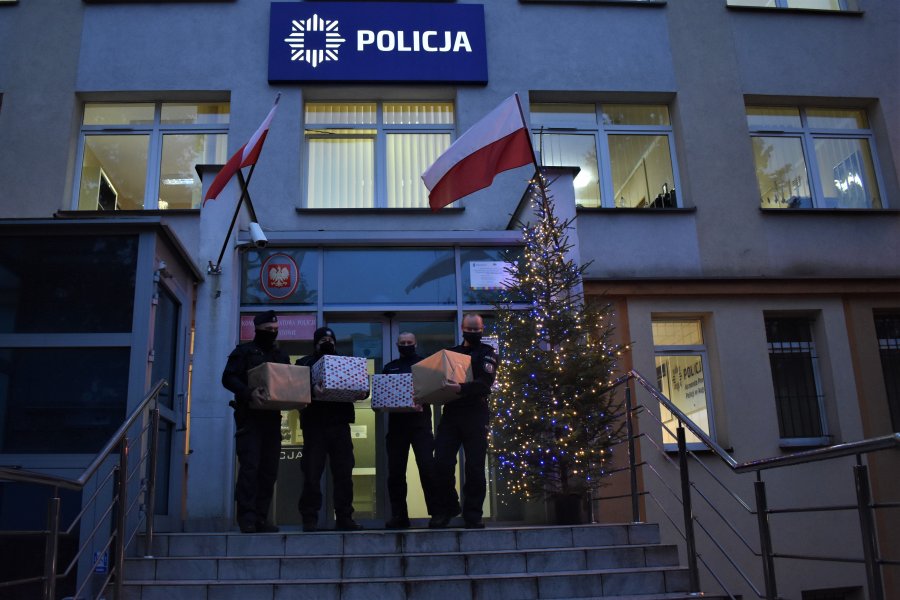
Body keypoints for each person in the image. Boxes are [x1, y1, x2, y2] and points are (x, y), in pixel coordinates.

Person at [221, 310, 289, 534]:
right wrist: (248, 393)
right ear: (257, 329)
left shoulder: (281, 356)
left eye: (275, 329)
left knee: (269, 471)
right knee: (250, 468)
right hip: (249, 419)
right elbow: (228, 378)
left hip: (272, 419)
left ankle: (261, 517)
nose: (272, 332)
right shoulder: (243, 352)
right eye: (268, 329)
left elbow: (287, 382)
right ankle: (247, 518)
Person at [429, 313, 499, 529]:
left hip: (476, 414)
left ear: (482, 329)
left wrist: (461, 388)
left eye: (477, 329)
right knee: (441, 462)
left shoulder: (488, 353)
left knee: (475, 467)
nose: (473, 332)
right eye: (470, 329)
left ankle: (473, 514)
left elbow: (485, 383)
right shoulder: (451, 354)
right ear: (462, 328)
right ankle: (448, 508)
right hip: (452, 413)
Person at [295, 326, 362, 532]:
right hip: (314, 426)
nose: (328, 343)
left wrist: (363, 391)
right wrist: (311, 389)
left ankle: (344, 517)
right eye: (323, 340)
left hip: (340, 425)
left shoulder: (345, 362)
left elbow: (360, 384)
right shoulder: (304, 363)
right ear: (315, 343)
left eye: (331, 340)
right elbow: (294, 388)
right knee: (311, 473)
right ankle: (309, 519)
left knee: (344, 473)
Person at [381, 332, 438, 529]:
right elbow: (381, 395)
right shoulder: (389, 368)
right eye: (403, 342)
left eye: (409, 342)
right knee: (396, 473)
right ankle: (399, 516)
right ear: (397, 345)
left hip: (421, 426)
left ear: (416, 344)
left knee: (427, 469)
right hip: (397, 428)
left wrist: (423, 399)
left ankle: (437, 514)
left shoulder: (425, 365)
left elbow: (435, 391)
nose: (406, 345)